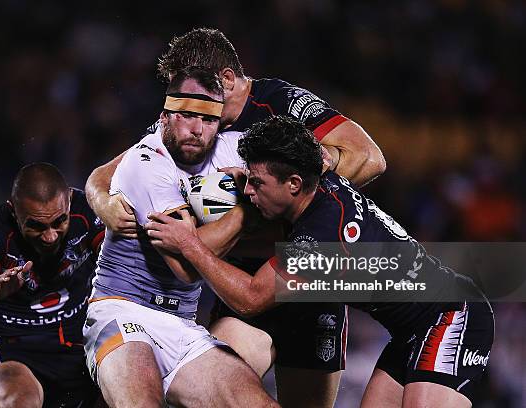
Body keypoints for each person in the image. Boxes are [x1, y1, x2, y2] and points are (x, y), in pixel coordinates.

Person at [86, 27, 386, 407]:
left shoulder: (281, 104)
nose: (198, 114)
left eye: (206, 92)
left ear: (227, 81)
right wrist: (102, 201)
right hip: (240, 277)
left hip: (304, 283)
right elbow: (112, 171)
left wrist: (295, 197)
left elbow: (369, 158)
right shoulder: (194, 121)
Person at [144, 115, 495, 408]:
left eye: (257, 182)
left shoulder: (322, 237)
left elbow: (251, 298)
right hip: (412, 329)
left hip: (452, 314)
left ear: (294, 184)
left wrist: (190, 244)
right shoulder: (318, 174)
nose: (248, 192)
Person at [83, 67, 278, 407]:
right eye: (187, 116)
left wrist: (322, 158)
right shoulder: (146, 161)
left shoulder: (233, 148)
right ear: (164, 118)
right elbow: (187, 269)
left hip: (182, 324)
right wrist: (245, 212)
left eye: (209, 120)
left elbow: (304, 170)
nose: (197, 130)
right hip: (124, 311)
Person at [0, 163, 105, 408]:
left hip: (83, 353)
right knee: (19, 401)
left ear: (68, 200)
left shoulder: (89, 210)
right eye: (36, 225)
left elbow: (125, 254)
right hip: (13, 358)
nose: (50, 237)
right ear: (14, 212)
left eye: (59, 222)